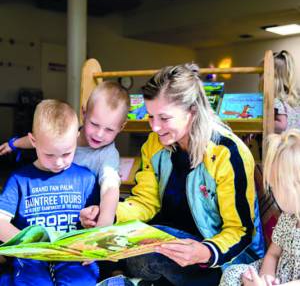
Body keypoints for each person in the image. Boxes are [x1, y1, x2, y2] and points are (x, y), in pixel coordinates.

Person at [80, 63, 265, 286]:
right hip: (167, 253)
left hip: (222, 262)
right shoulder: (154, 145)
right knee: (112, 232)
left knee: (152, 244)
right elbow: (146, 203)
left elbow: (241, 232)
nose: (155, 127)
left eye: (164, 118)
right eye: (150, 117)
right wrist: (108, 213)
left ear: (192, 112)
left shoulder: (228, 153)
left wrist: (205, 252)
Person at [0, 81, 130, 227]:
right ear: (84, 113)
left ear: (121, 127)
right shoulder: (67, 133)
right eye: (94, 124)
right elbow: (43, 139)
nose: (99, 134)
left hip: (80, 213)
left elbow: (110, 189)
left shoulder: (108, 155)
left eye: (109, 130)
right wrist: (14, 144)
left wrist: (103, 227)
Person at [0, 99, 99, 285]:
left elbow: (98, 223)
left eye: (67, 153)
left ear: (76, 138)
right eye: (50, 155)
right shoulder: (19, 179)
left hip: (74, 257)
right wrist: (29, 244)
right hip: (31, 257)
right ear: (33, 141)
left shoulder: (86, 179)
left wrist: (93, 224)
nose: (59, 162)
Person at [220, 129, 300, 286]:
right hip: (276, 276)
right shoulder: (288, 218)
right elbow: (273, 254)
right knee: (232, 274)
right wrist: (265, 277)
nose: (273, 193)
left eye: (275, 187)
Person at [261, 50, 300, 133]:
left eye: (261, 73)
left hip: (280, 144)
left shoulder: (275, 101)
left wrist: (261, 123)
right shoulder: (293, 102)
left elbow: (282, 125)